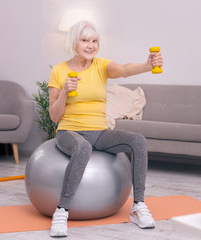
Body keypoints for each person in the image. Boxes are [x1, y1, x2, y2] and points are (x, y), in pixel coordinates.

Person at [48, 21, 163, 237]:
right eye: (85, 40)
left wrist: (146, 65)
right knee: (82, 147)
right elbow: (54, 116)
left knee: (137, 140)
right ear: (74, 42)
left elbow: (123, 70)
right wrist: (64, 91)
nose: (91, 46)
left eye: (94, 41)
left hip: (99, 133)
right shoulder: (59, 70)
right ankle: (62, 211)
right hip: (69, 132)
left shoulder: (101, 66)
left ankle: (138, 207)